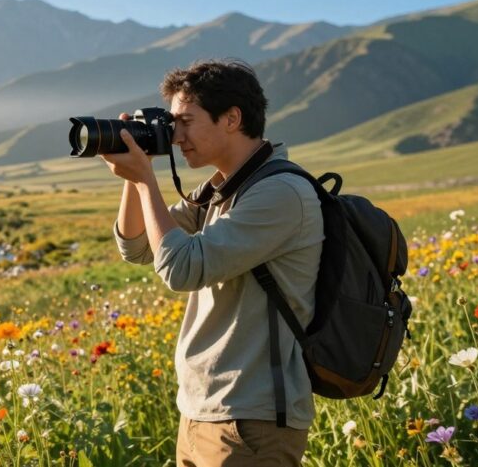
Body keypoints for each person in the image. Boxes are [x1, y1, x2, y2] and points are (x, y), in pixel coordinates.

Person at [100, 58, 323, 466]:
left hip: (251, 418)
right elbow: (138, 247)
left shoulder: (281, 194)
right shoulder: (221, 189)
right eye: (170, 123)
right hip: (202, 408)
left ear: (232, 118)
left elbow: (181, 268)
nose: (175, 136)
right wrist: (134, 177)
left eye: (185, 121)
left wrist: (146, 178)